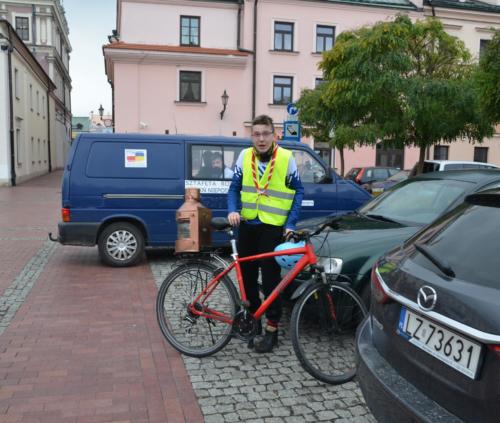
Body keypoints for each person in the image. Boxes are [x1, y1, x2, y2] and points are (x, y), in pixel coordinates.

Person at [227, 114, 304, 353]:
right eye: (257, 134)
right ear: (252, 136)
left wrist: (290, 224)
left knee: (271, 281)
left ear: (274, 135)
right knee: (248, 279)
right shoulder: (244, 156)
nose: (261, 139)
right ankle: (254, 323)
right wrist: (232, 210)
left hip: (272, 227)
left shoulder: (286, 158)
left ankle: (272, 329)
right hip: (248, 225)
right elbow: (233, 189)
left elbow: (298, 192)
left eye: (266, 134)